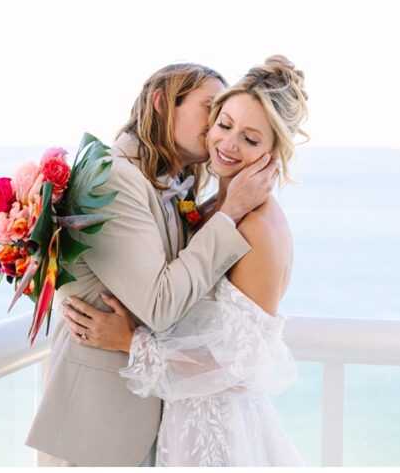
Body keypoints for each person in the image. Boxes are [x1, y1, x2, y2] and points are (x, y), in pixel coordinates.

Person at [26, 63, 278, 467]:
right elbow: (159, 307)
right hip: (97, 428)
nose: (216, 126)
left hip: (147, 418)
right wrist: (230, 212)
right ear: (162, 103)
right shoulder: (114, 177)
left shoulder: (169, 183)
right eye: (210, 109)